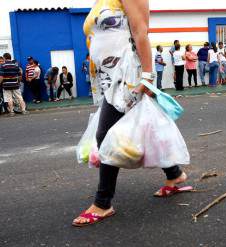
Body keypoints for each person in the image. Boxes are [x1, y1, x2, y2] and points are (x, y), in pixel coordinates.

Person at [73, 0, 189, 227]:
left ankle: (103, 203)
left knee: (105, 134)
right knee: (148, 125)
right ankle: (175, 175)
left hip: (126, 74)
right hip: (109, 76)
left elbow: (140, 30)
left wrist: (147, 76)